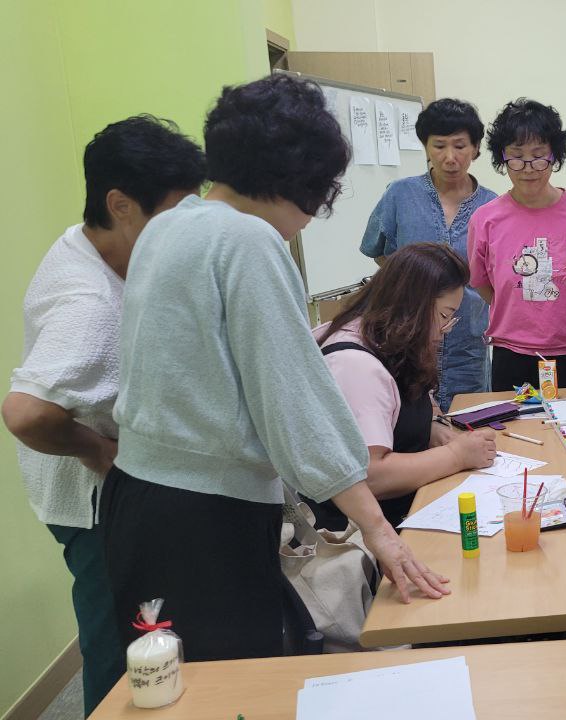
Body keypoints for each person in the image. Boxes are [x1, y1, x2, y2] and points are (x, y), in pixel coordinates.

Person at [102, 74, 450, 664]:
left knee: (162, 678)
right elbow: (291, 399)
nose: (312, 217)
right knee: (233, 682)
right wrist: (378, 530)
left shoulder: (168, 225)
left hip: (135, 498)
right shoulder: (248, 242)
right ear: (302, 181)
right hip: (203, 514)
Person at [1, 116, 204, 715]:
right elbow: (24, 412)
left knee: (145, 637)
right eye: (170, 216)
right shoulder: (86, 301)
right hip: (91, 502)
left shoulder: (98, 242)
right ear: (119, 204)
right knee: (121, 650)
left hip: (112, 490)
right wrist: (98, 451)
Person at [308, 243, 497, 531]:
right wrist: (456, 456)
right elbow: (370, 476)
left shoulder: (387, 339)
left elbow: (407, 400)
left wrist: (430, 426)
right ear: (414, 306)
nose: (444, 331)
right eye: (444, 316)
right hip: (360, 531)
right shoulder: (355, 364)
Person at [360, 98, 497, 410]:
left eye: (460, 146)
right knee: (411, 426)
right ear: (425, 147)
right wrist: (410, 286)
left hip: (468, 344)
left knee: (470, 422)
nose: (450, 157)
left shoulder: (492, 207)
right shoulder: (399, 194)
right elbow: (378, 251)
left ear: (476, 148)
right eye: (439, 146)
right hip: (405, 341)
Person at [468, 98, 566, 391]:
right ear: (502, 158)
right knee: (513, 433)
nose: (528, 168)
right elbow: (483, 284)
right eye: (516, 157)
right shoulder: (486, 218)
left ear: (555, 157)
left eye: (539, 156)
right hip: (511, 354)